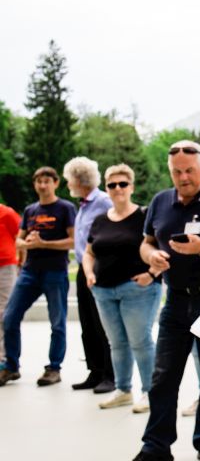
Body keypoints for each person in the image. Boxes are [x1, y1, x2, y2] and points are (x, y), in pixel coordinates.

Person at [133, 141, 200, 461]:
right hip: (175, 300)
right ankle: (156, 446)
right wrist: (152, 256)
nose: (183, 178)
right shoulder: (160, 201)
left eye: (189, 171)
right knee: (162, 376)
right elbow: (146, 242)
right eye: (176, 172)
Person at [83, 164, 162, 413]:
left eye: (123, 184)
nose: (118, 189)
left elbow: (160, 249)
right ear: (106, 189)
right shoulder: (100, 220)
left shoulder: (144, 216)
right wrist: (89, 274)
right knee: (116, 343)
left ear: (132, 187)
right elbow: (89, 252)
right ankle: (123, 390)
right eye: (112, 185)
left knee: (140, 341)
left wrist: (152, 274)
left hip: (138, 290)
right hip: (103, 291)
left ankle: (150, 393)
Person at [0, 167, 76, 387]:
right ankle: (10, 366)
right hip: (30, 271)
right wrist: (27, 243)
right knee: (9, 317)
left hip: (55, 271)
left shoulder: (65, 208)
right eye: (39, 182)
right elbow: (18, 239)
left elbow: (73, 241)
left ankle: (54, 368)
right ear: (34, 184)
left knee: (57, 322)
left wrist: (45, 244)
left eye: (47, 181)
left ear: (56, 183)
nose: (43, 186)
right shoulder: (30, 210)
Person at [63, 156, 115, 394]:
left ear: (79, 179)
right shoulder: (83, 205)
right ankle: (95, 371)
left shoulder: (103, 201)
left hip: (100, 269)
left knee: (101, 323)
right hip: (83, 270)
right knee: (87, 324)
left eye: (69, 179)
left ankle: (110, 375)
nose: (68, 184)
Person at [0, 203, 22, 365]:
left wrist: (22, 263)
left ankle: (3, 357)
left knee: (3, 313)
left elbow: (21, 237)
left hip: (5, 267)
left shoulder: (6, 213)